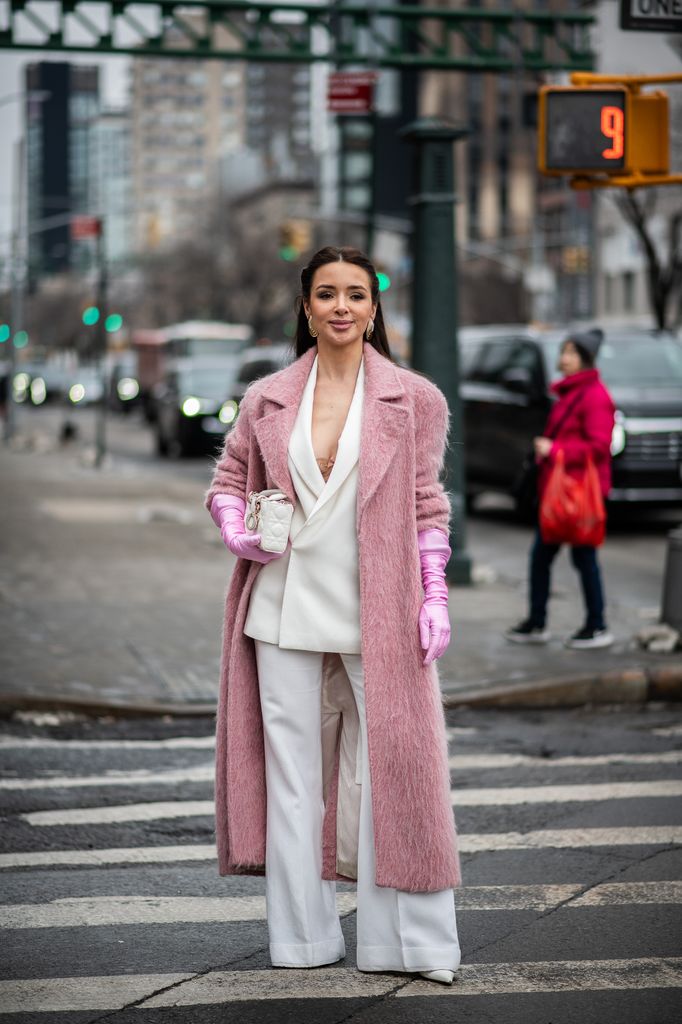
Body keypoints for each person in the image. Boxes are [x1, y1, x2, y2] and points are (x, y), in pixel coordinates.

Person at [204, 246, 462, 985]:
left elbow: (427, 504)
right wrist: (238, 531)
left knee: (396, 772)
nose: (341, 306)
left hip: (379, 607)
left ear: (374, 309)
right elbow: (227, 480)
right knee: (292, 779)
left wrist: (434, 592)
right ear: (306, 308)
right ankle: (302, 940)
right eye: (326, 294)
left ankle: (407, 945)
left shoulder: (416, 399)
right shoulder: (267, 397)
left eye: (355, 294)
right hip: (281, 608)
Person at [506, 327, 616, 650]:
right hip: (561, 493)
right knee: (545, 557)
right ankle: (539, 622)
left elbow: (600, 447)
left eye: (572, 352)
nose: (564, 358)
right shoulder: (570, 393)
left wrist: (555, 450)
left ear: (586, 358)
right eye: (564, 351)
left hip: (579, 495)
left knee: (581, 558)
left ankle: (595, 625)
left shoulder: (595, 397)